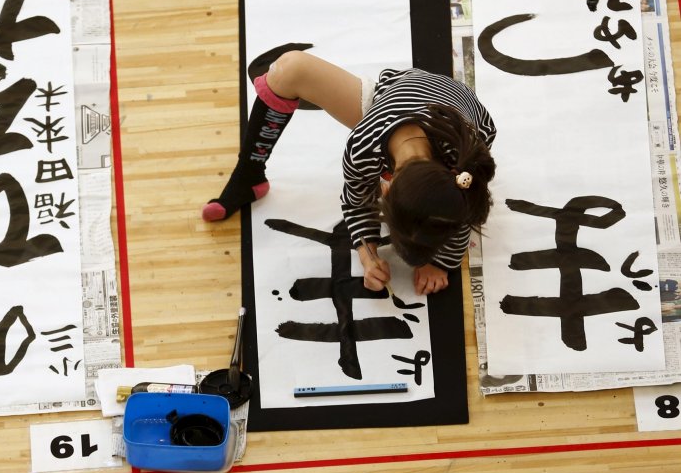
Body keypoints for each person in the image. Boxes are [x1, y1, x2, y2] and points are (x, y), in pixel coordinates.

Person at [202, 50, 497, 296]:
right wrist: (367, 254)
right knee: (289, 69)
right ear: (384, 187)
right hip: (393, 96)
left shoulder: (462, 159)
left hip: (459, 113)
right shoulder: (364, 146)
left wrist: (441, 262)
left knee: (451, 201)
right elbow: (355, 202)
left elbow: (463, 210)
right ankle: (248, 175)